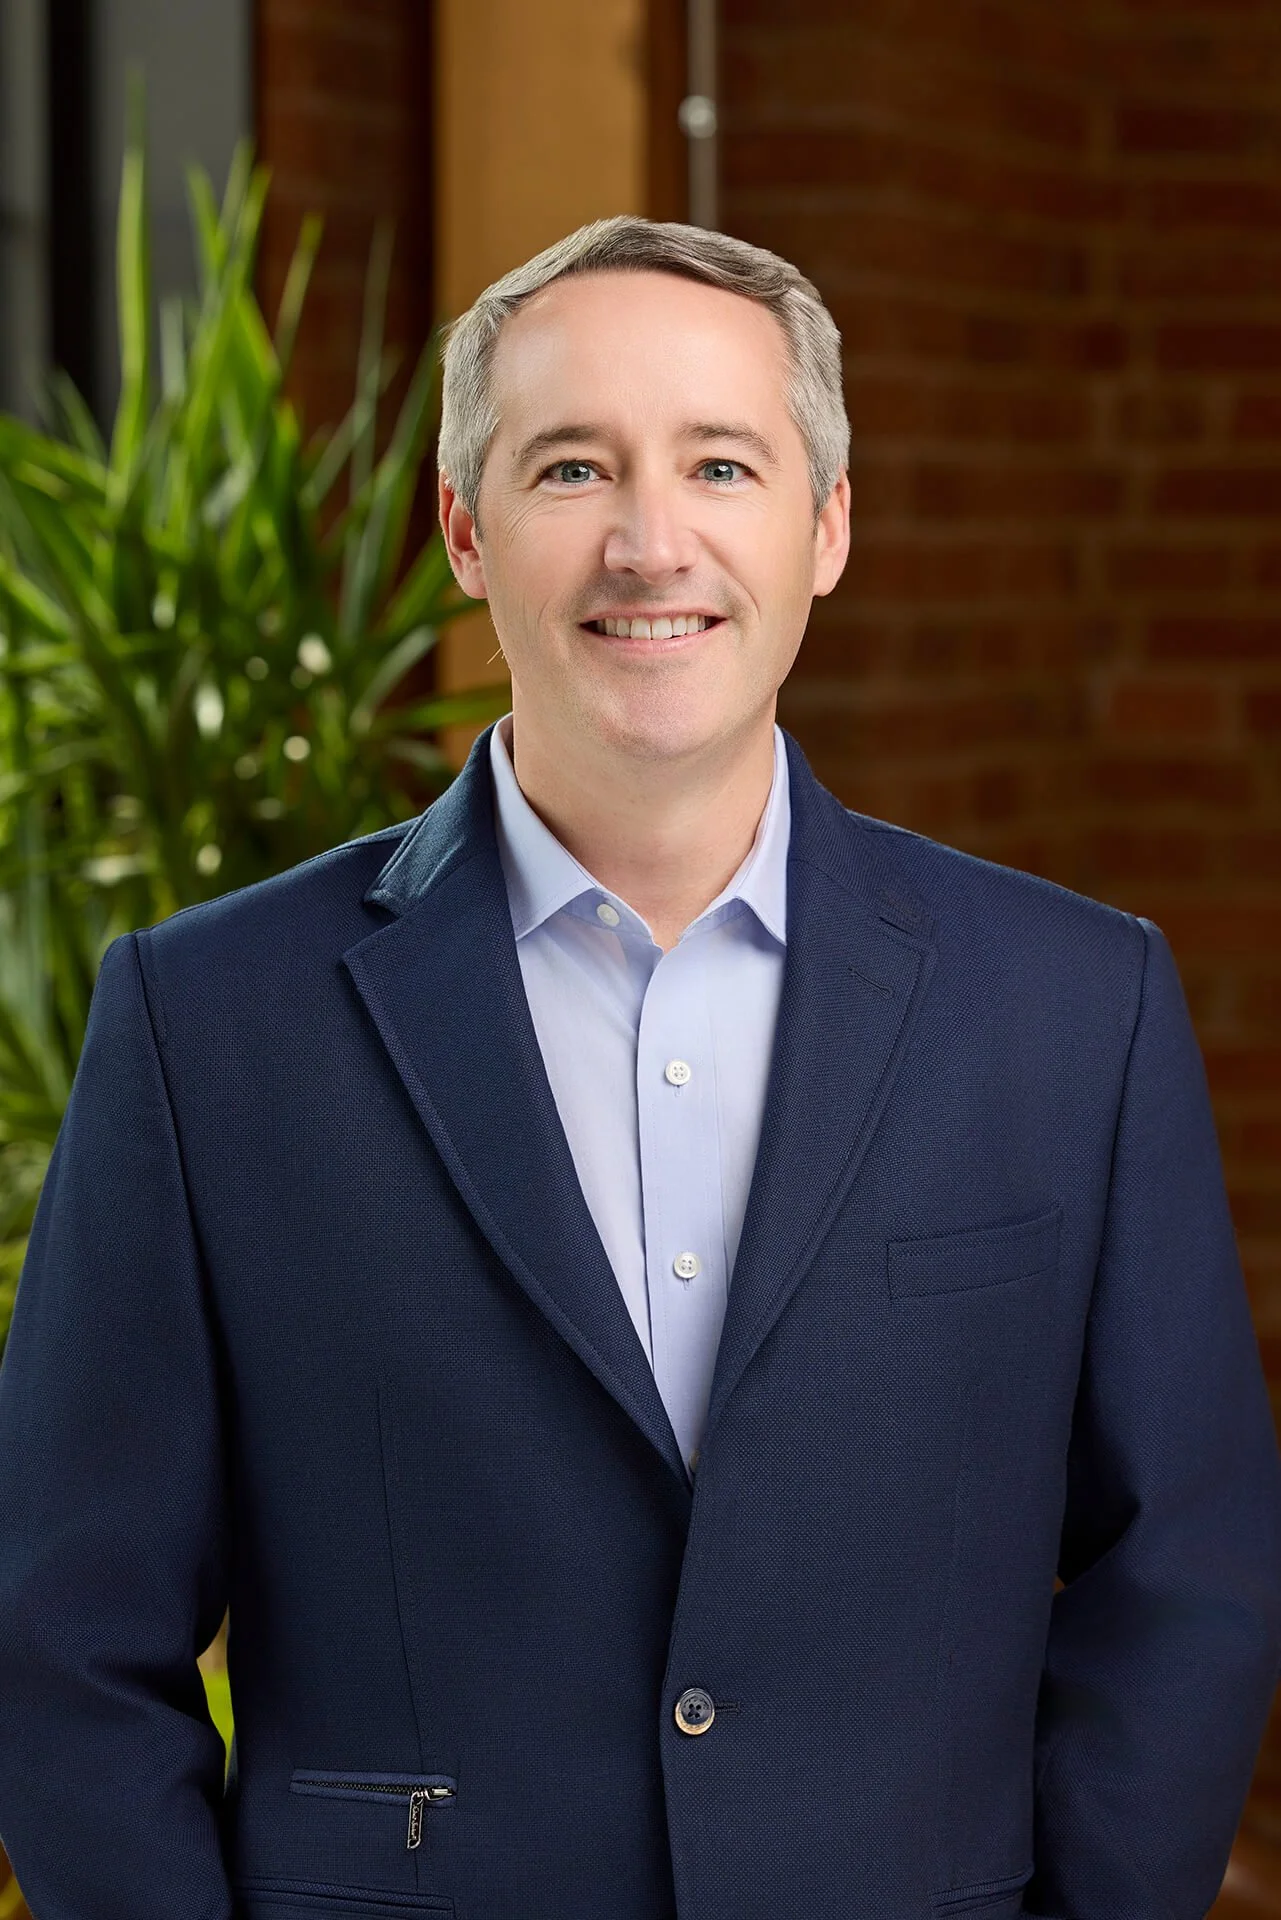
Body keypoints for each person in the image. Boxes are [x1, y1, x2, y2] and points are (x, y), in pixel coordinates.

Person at [0, 214, 1279, 1920]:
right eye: (573, 469)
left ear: (828, 526)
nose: (649, 542)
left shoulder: (1074, 1008)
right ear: (466, 530)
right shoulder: (207, 1019)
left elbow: (1185, 1573)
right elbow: (63, 1636)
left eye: (724, 466)